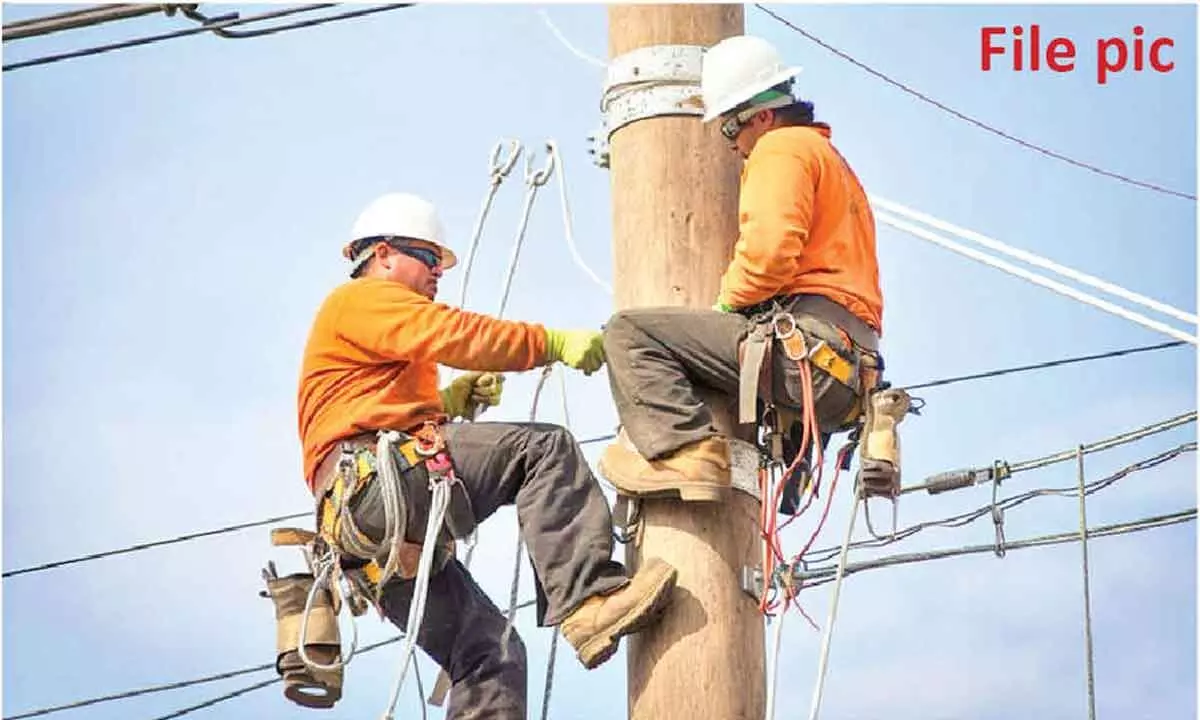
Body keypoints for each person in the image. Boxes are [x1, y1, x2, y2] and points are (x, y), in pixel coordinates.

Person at [296, 192, 678, 718]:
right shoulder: (361, 299)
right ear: (383, 254)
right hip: (373, 490)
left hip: (368, 536)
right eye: (428, 258)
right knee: (541, 448)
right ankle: (588, 601)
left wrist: (446, 404)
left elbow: (360, 406)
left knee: (489, 653)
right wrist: (551, 342)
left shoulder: (368, 327)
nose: (437, 273)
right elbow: (455, 334)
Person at [598, 34, 892, 505]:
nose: (732, 146)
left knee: (630, 333)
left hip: (811, 353)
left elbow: (769, 253)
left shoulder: (780, 150)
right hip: (844, 364)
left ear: (761, 115)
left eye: (730, 130)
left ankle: (685, 452)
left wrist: (727, 303)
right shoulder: (828, 160)